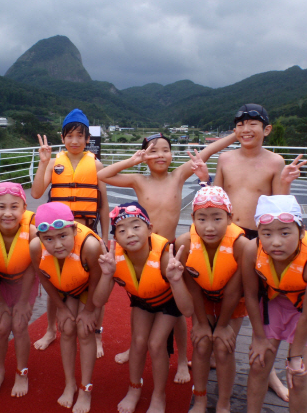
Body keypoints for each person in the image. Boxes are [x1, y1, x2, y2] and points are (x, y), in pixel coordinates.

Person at [97, 131, 237, 382]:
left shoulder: (178, 175)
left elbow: (209, 151)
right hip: (141, 251)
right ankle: (135, 347)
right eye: (152, 150)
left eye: (165, 149)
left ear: (172, 154)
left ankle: (182, 359)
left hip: (170, 251)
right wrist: (132, 161)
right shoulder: (138, 180)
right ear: (144, 155)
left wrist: (235, 135)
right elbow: (102, 175)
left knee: (176, 309)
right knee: (140, 298)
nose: (160, 155)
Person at [214, 103, 307, 400]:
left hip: (260, 239)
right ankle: (220, 350)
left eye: (253, 123)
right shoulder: (225, 159)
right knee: (225, 295)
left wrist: (287, 184)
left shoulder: (274, 162)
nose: (246, 129)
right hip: (229, 237)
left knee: (260, 303)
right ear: (234, 130)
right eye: (240, 124)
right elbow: (214, 199)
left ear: (266, 129)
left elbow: (280, 208)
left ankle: (269, 374)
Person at [241, 195, 307, 413]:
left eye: (285, 233)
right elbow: (250, 295)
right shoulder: (251, 250)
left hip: (306, 312)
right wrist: (259, 338)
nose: (275, 242)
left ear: (301, 231)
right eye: (266, 234)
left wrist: (294, 357)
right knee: (258, 365)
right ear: (258, 233)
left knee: (297, 376)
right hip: (273, 303)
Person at [93, 202, 193, 413]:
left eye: (136, 226)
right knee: (138, 343)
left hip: (169, 300)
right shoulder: (114, 258)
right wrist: (107, 274)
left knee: (156, 344)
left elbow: (188, 311)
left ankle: (159, 395)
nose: (129, 233)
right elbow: (99, 301)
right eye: (122, 230)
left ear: (150, 228)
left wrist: (176, 280)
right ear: (115, 237)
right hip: (142, 300)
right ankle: (134, 388)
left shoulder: (165, 257)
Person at [32, 108, 109, 357]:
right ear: (62, 138)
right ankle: (50, 330)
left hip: (87, 231)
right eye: (69, 135)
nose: (74, 141)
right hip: (57, 232)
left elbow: (104, 204)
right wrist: (43, 164)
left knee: (94, 286)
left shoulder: (95, 164)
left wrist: (106, 236)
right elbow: (35, 193)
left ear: (88, 139)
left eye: (79, 135)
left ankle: (96, 334)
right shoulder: (54, 163)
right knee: (55, 279)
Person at [173, 187, 248, 413]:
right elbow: (193, 287)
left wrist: (223, 325)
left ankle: (224, 404)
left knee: (224, 348)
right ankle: (200, 400)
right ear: (193, 219)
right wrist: (201, 323)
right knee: (202, 344)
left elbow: (235, 292)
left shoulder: (242, 245)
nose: (209, 227)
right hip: (203, 297)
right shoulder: (184, 243)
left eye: (217, 218)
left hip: (232, 300)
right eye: (201, 219)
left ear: (230, 218)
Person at [29, 202, 104, 413]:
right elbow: (44, 279)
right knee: (68, 328)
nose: (57, 245)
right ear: (40, 238)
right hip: (67, 286)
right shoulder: (35, 247)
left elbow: (96, 282)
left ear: (73, 229)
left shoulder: (90, 246)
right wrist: (61, 308)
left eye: (63, 236)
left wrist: (89, 311)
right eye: (49, 239)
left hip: (89, 285)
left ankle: (85, 388)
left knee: (85, 329)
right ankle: (70, 384)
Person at [0, 182, 38, 397]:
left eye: (14, 207)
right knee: (1, 327)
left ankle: (22, 373)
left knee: (19, 326)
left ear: (24, 207)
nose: (8, 213)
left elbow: (32, 270)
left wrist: (23, 302)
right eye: (1, 207)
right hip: (0, 283)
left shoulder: (32, 232)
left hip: (26, 282)